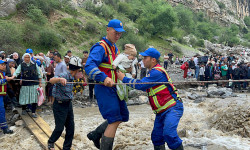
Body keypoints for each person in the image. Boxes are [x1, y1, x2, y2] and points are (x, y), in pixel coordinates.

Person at [117, 48, 184, 150]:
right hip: (162, 111)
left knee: (169, 134)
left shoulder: (156, 72)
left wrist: (124, 78)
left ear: (153, 60)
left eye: (145, 58)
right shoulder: (152, 72)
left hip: (172, 108)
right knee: (157, 138)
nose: (143, 60)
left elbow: (141, 85)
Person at [85, 19, 128, 149]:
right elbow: (89, 66)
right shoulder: (100, 47)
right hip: (104, 88)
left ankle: (96, 134)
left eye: (120, 33)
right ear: (108, 30)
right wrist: (103, 78)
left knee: (123, 115)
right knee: (114, 119)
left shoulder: (115, 48)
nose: (118, 36)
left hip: (116, 88)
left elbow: (117, 67)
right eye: (116, 32)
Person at [48, 57, 81, 150]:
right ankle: (51, 142)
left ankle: (67, 147)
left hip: (68, 104)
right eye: (80, 71)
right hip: (59, 105)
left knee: (71, 128)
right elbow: (51, 80)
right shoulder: (64, 75)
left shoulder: (72, 77)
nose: (81, 74)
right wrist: (59, 79)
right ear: (76, 70)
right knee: (59, 128)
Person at [11, 53, 42, 118]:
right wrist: (12, 77)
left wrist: (40, 83)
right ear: (23, 58)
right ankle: (24, 109)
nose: (27, 59)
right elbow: (17, 72)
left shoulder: (34, 64)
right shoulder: (21, 65)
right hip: (25, 84)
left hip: (34, 84)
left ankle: (33, 112)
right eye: (25, 57)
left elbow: (39, 74)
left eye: (28, 57)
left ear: (30, 58)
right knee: (24, 97)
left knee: (34, 99)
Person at [0, 60, 13, 134]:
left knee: (2, 111)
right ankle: (5, 129)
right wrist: (5, 79)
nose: (4, 66)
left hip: (2, 95)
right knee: (1, 111)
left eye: (4, 65)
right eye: (2, 65)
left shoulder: (3, 73)